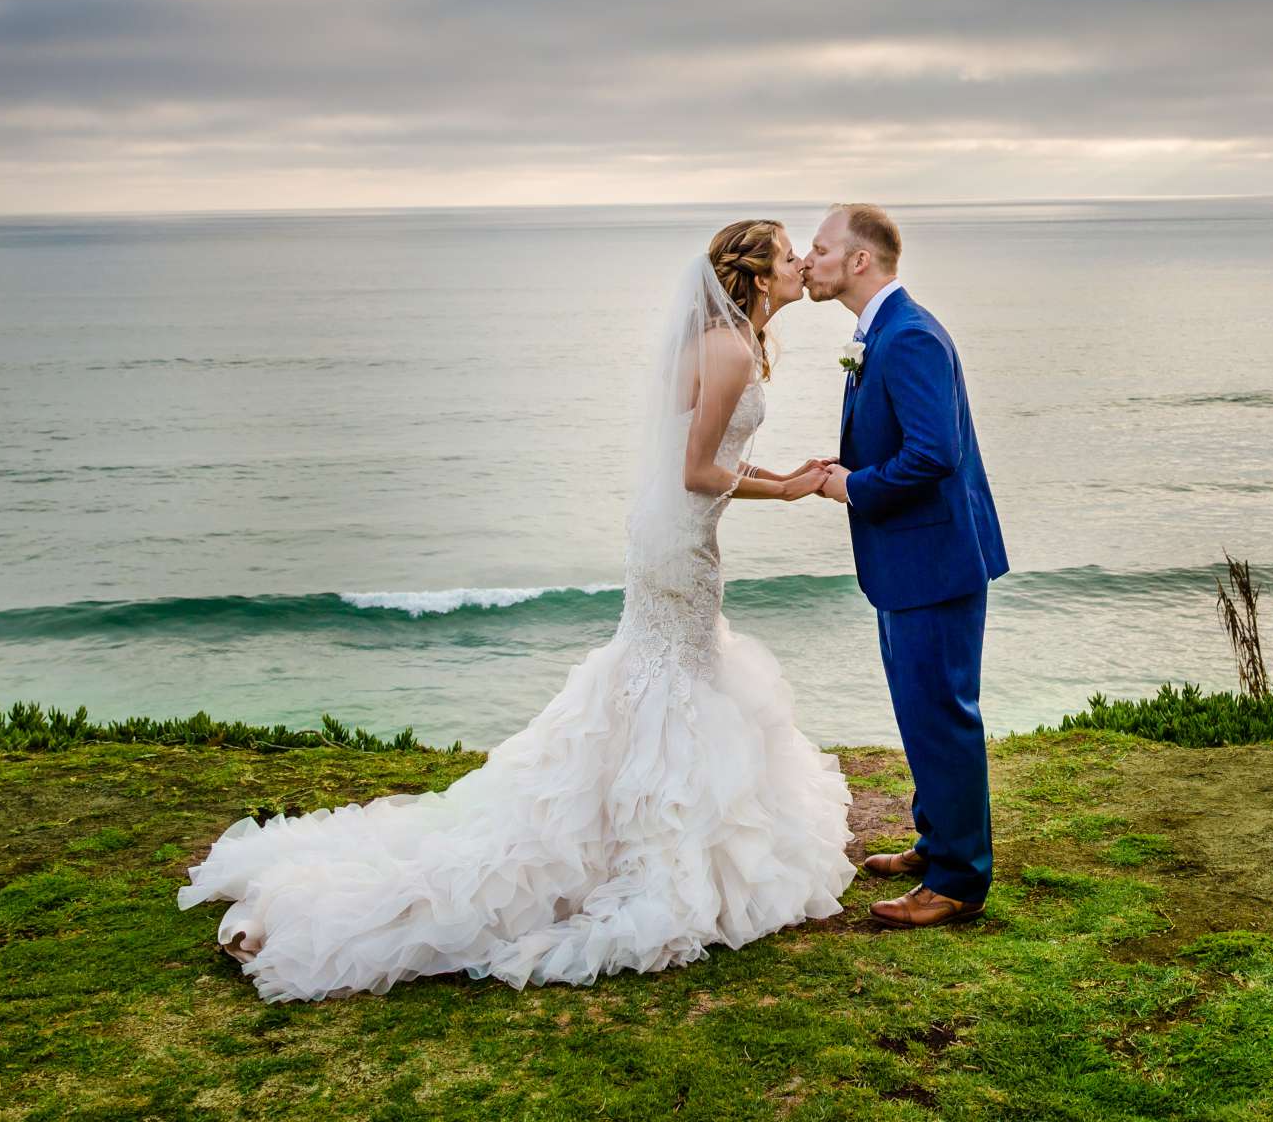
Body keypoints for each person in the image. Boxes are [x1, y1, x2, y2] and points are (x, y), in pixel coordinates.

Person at [177, 220, 855, 1001]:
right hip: (680, 542)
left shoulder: (724, 339)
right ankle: (642, 839)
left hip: (671, 535)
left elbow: (703, 460)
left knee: (660, 675)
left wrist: (781, 473)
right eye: (790, 253)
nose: (804, 261)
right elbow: (700, 469)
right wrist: (790, 489)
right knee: (672, 672)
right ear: (760, 275)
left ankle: (632, 820)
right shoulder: (732, 349)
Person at [801, 202, 1008, 928]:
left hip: (935, 558)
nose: (808, 260)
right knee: (921, 710)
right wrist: (847, 468)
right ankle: (936, 841)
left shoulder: (910, 335)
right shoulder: (883, 331)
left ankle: (956, 882)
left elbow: (932, 454)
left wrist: (850, 486)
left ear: (860, 260)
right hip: (911, 558)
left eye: (821, 249)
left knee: (942, 713)